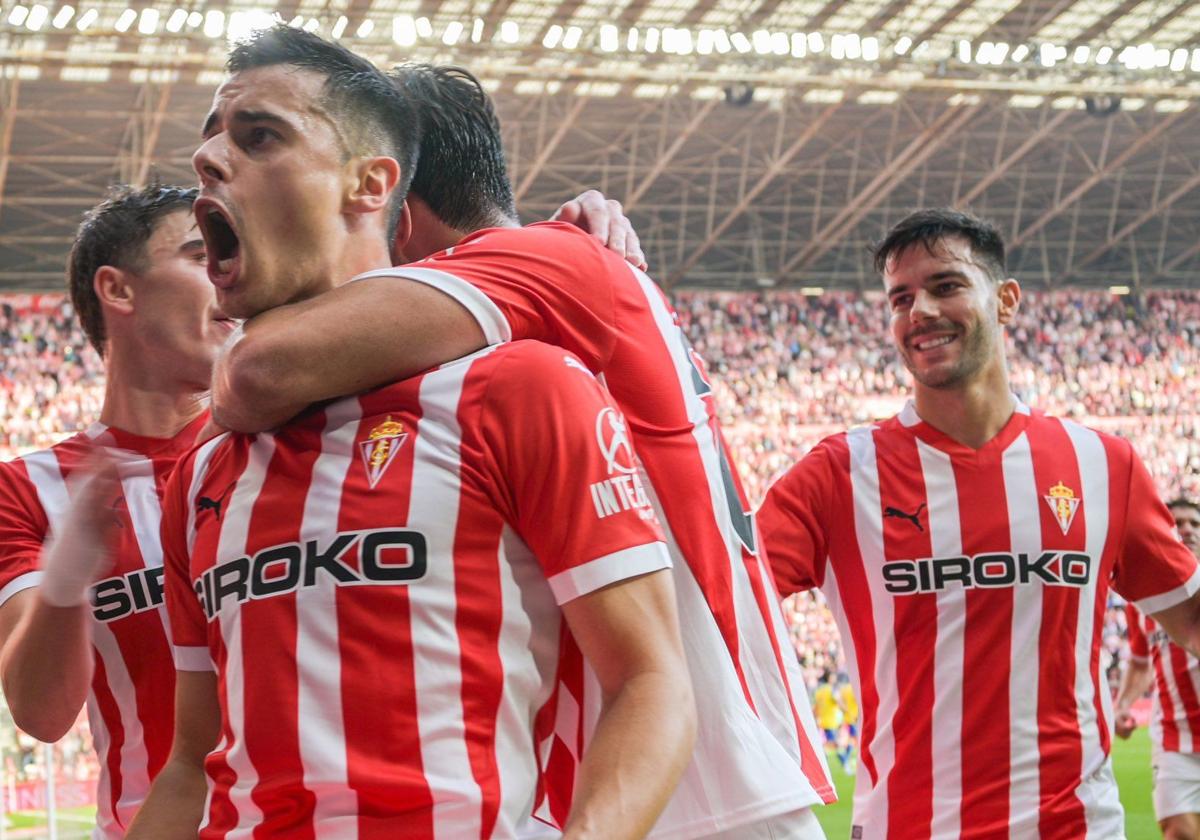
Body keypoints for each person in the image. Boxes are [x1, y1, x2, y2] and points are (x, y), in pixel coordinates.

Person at [206, 61, 833, 838]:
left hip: (706, 782)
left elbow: (254, 374)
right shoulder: (555, 272)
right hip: (658, 771)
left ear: (391, 206)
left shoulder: (546, 264)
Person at [128, 26, 694, 839]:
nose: (210, 160)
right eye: (211, 139)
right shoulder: (203, 471)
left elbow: (650, 683)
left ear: (371, 184)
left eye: (260, 136)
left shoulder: (518, 389)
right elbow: (192, 761)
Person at [756, 207, 1200, 839]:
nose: (921, 313)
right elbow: (715, 600)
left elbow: (1191, 618)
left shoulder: (1102, 465)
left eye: (946, 286)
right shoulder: (837, 475)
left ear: (1007, 300)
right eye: (900, 298)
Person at [0, 184, 232, 839]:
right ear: (119, 291)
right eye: (199, 253)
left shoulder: (283, 450)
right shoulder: (28, 489)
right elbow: (42, 715)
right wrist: (68, 581)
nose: (227, 270)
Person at [1115, 497, 1200, 840]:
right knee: (1179, 832)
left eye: (1194, 523)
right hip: (1173, 739)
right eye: (1177, 522)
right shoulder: (1145, 599)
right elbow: (1139, 664)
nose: (1186, 529)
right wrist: (1121, 705)